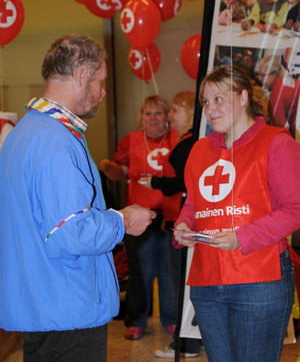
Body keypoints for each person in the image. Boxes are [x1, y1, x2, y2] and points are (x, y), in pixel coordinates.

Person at [0, 34, 156, 362]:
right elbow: (70, 231)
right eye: (100, 80)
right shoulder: (53, 139)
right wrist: (123, 220)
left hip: (42, 306)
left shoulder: (24, 134)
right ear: (82, 75)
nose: (102, 91)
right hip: (66, 310)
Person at [173, 65, 300, 362]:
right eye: (205, 101)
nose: (210, 109)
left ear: (243, 97)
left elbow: (295, 209)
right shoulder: (199, 150)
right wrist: (184, 223)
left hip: (259, 281)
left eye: (218, 99)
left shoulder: (277, 142)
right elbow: (194, 203)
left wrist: (241, 237)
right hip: (207, 282)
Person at [100, 95, 177, 340]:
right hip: (138, 218)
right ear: (141, 118)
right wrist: (108, 168)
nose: (153, 118)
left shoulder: (179, 140)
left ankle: (172, 320)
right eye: (148, 113)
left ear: (167, 117)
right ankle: (137, 321)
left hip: (170, 215)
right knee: (139, 271)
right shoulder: (131, 141)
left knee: (168, 271)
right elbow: (118, 172)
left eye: (159, 113)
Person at [141, 91, 202, 358]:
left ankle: (185, 344)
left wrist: (156, 183)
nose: (170, 115)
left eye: (175, 109)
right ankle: (189, 341)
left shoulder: (189, 144)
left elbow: (186, 184)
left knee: (181, 285)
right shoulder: (189, 142)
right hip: (178, 221)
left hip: (183, 224)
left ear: (189, 113)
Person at [256, 54, 300, 137]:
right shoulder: (283, 81)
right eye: (259, 74)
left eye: (263, 75)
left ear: (275, 73)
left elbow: (280, 129)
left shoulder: (277, 94)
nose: (259, 78)